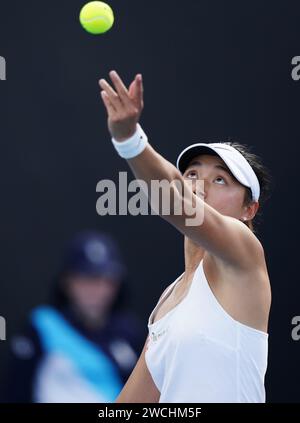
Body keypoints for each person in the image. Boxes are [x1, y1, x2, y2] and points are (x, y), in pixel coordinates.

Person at [98, 70, 272, 403]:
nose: (200, 186)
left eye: (220, 180)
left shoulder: (244, 252)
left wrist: (129, 138)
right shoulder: (169, 299)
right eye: (192, 174)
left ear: (249, 210)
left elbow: (176, 198)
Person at [1, 231, 145, 403]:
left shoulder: (130, 332)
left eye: (106, 280)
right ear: (67, 282)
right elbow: (16, 392)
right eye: (87, 279)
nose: (97, 290)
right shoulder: (41, 326)